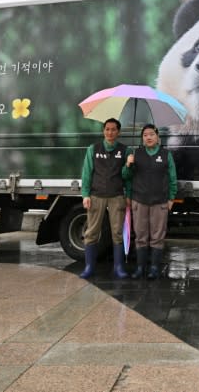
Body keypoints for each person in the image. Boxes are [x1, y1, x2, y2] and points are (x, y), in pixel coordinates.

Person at [80, 118, 132, 279]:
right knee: (92, 231)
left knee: (117, 232)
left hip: (117, 196)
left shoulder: (125, 150)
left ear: (119, 132)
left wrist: (128, 165)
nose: (110, 132)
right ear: (103, 131)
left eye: (114, 129)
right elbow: (87, 173)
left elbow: (127, 177)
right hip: (96, 195)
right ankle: (89, 267)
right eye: (107, 129)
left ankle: (119, 268)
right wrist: (85, 195)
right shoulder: (93, 149)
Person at [126, 123, 177, 280]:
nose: (148, 137)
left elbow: (172, 178)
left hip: (160, 201)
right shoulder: (136, 154)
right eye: (145, 135)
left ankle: (154, 268)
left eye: (151, 134)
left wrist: (171, 198)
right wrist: (128, 164)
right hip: (139, 200)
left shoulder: (165, 154)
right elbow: (126, 177)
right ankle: (140, 268)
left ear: (157, 137)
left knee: (157, 236)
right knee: (140, 235)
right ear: (142, 138)